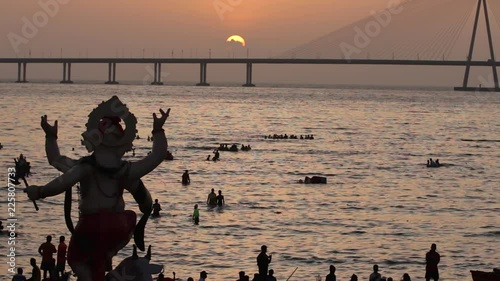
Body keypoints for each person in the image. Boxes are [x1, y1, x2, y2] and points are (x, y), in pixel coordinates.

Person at [27, 100, 170, 281]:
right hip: (120, 225)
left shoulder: (84, 166)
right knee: (100, 258)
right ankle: (106, 261)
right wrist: (158, 130)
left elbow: (58, 168)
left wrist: (40, 191)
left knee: (75, 260)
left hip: (90, 225)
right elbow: (156, 157)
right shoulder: (124, 170)